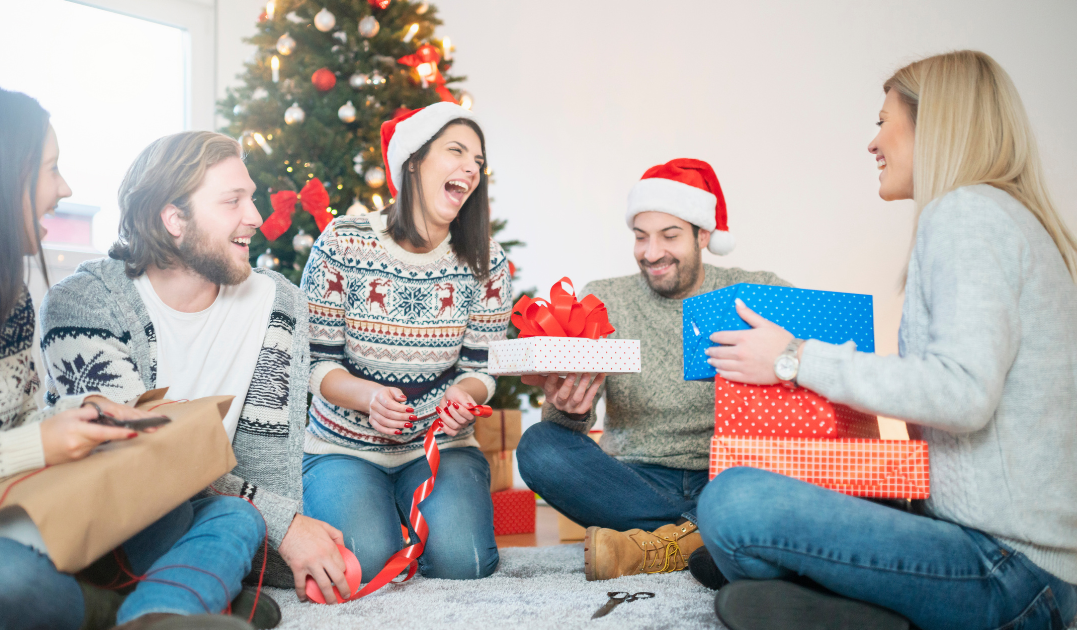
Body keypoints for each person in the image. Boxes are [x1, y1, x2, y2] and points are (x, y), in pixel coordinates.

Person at [696, 50, 1077, 630]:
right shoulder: (1003, 216)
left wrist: (794, 358)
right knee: (773, 505)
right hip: (1019, 562)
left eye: (882, 121)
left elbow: (963, 393)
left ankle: (862, 612)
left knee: (733, 504)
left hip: (1009, 575)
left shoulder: (968, 214)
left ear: (936, 123)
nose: (872, 143)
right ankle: (850, 604)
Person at [0, 79, 261, 630]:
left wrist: (78, 415)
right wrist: (39, 442)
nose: (65, 188)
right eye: (50, 169)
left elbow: (14, 423)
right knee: (6, 577)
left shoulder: (7, 298)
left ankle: (160, 607)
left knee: (216, 512)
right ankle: (158, 609)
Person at [39, 131, 348, 612]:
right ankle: (188, 598)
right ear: (174, 219)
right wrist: (281, 523)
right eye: (233, 201)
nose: (257, 217)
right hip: (103, 518)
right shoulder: (84, 302)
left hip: (209, 515)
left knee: (239, 523)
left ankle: (162, 612)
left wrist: (278, 528)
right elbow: (136, 456)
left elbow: (267, 467)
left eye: (252, 197)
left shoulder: (277, 305)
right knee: (239, 534)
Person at [514, 159, 791, 583]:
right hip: (631, 479)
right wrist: (569, 409)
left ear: (703, 235)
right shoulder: (604, 298)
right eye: (640, 237)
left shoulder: (756, 291)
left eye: (670, 235)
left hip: (726, 473)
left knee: (777, 485)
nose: (651, 252)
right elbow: (564, 430)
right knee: (538, 448)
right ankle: (700, 537)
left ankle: (661, 542)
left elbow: (803, 383)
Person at [299, 102, 510, 582]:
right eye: (456, 151)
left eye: (478, 162)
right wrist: (369, 397)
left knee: (467, 565)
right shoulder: (342, 243)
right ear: (413, 160)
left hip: (440, 447)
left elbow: (481, 368)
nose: (470, 169)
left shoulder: (486, 261)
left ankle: (409, 517)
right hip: (344, 447)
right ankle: (369, 512)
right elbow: (315, 362)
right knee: (362, 566)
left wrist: (465, 395)